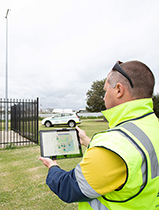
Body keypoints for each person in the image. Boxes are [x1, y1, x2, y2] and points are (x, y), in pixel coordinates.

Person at [39, 60, 159, 209]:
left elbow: (68, 187)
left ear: (119, 90)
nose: (103, 97)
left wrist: (53, 167)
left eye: (105, 90)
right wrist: (87, 141)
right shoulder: (153, 126)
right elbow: (135, 154)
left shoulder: (114, 144)